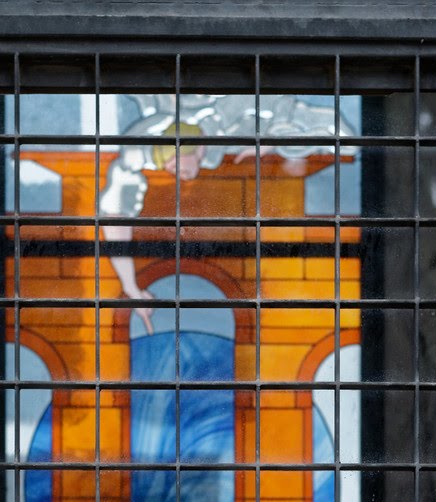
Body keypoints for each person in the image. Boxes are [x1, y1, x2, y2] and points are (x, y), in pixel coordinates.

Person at [98, 94, 352, 331]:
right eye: (165, 166)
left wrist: (273, 140)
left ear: (190, 147)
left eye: (174, 162)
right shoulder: (140, 144)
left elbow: (343, 135)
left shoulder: (236, 110)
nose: (173, 172)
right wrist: (131, 288)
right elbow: (114, 218)